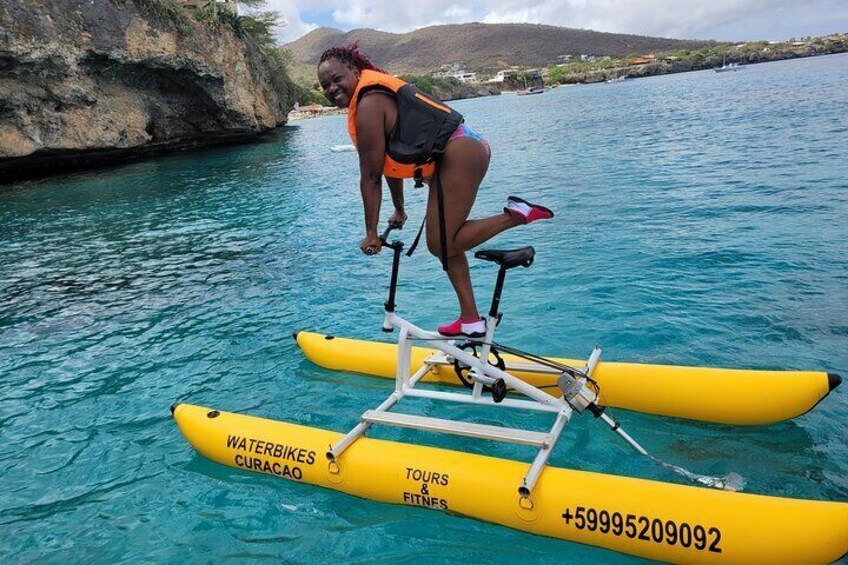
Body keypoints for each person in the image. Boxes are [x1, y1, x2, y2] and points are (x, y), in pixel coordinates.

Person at [317, 44, 554, 338]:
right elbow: (388, 166)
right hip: (460, 151)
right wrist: (399, 209)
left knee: (441, 243)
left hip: (461, 152)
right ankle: (470, 320)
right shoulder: (371, 98)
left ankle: (515, 215)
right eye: (324, 85)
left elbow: (369, 177)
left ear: (355, 71)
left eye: (337, 79)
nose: (331, 88)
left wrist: (370, 232)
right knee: (446, 241)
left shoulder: (368, 105)